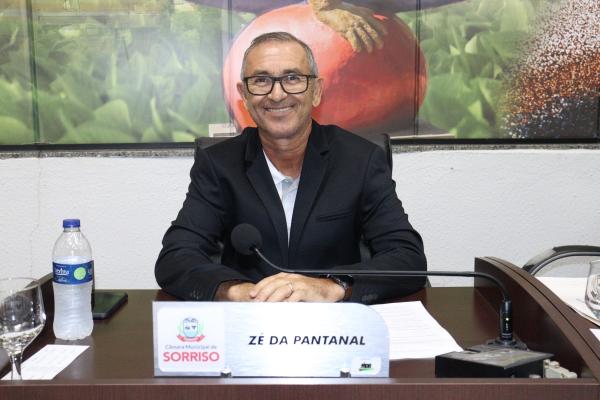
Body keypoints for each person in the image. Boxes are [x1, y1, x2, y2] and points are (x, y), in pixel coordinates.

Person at [155, 32, 426, 303]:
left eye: (292, 78)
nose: (277, 94)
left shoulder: (359, 159)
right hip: (250, 318)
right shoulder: (218, 164)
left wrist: (333, 287)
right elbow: (175, 258)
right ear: (244, 95)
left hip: (332, 321)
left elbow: (407, 257)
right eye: (261, 80)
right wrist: (239, 292)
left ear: (316, 91)